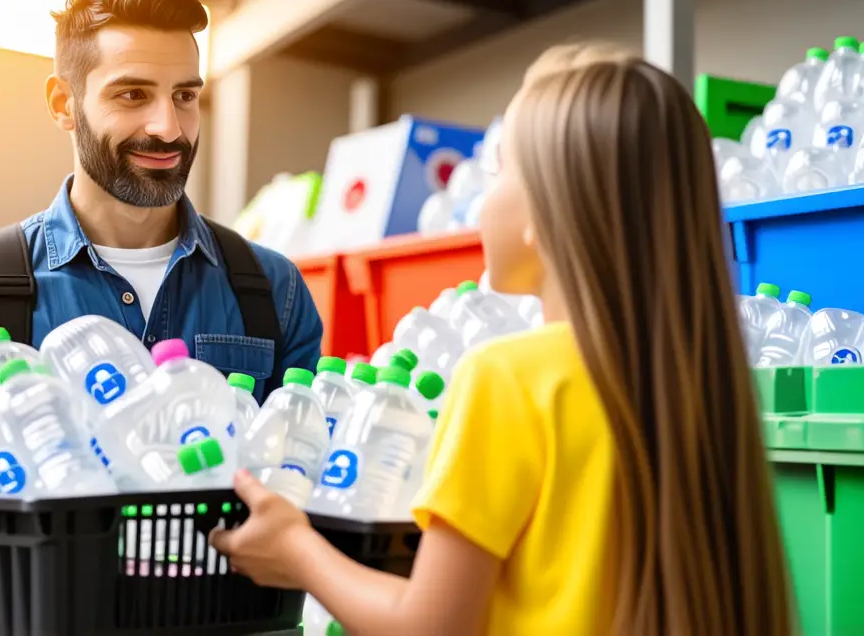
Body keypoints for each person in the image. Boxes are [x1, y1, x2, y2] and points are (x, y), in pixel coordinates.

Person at [211, 45, 794, 636]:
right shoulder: (709, 377)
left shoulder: (508, 377)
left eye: (498, 173)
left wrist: (297, 550)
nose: (483, 198)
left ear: (546, 211)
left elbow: (431, 627)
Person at [0, 0, 323, 588]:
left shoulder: (271, 290)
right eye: (132, 95)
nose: (168, 128)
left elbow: (310, 483)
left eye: (185, 95)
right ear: (62, 104)